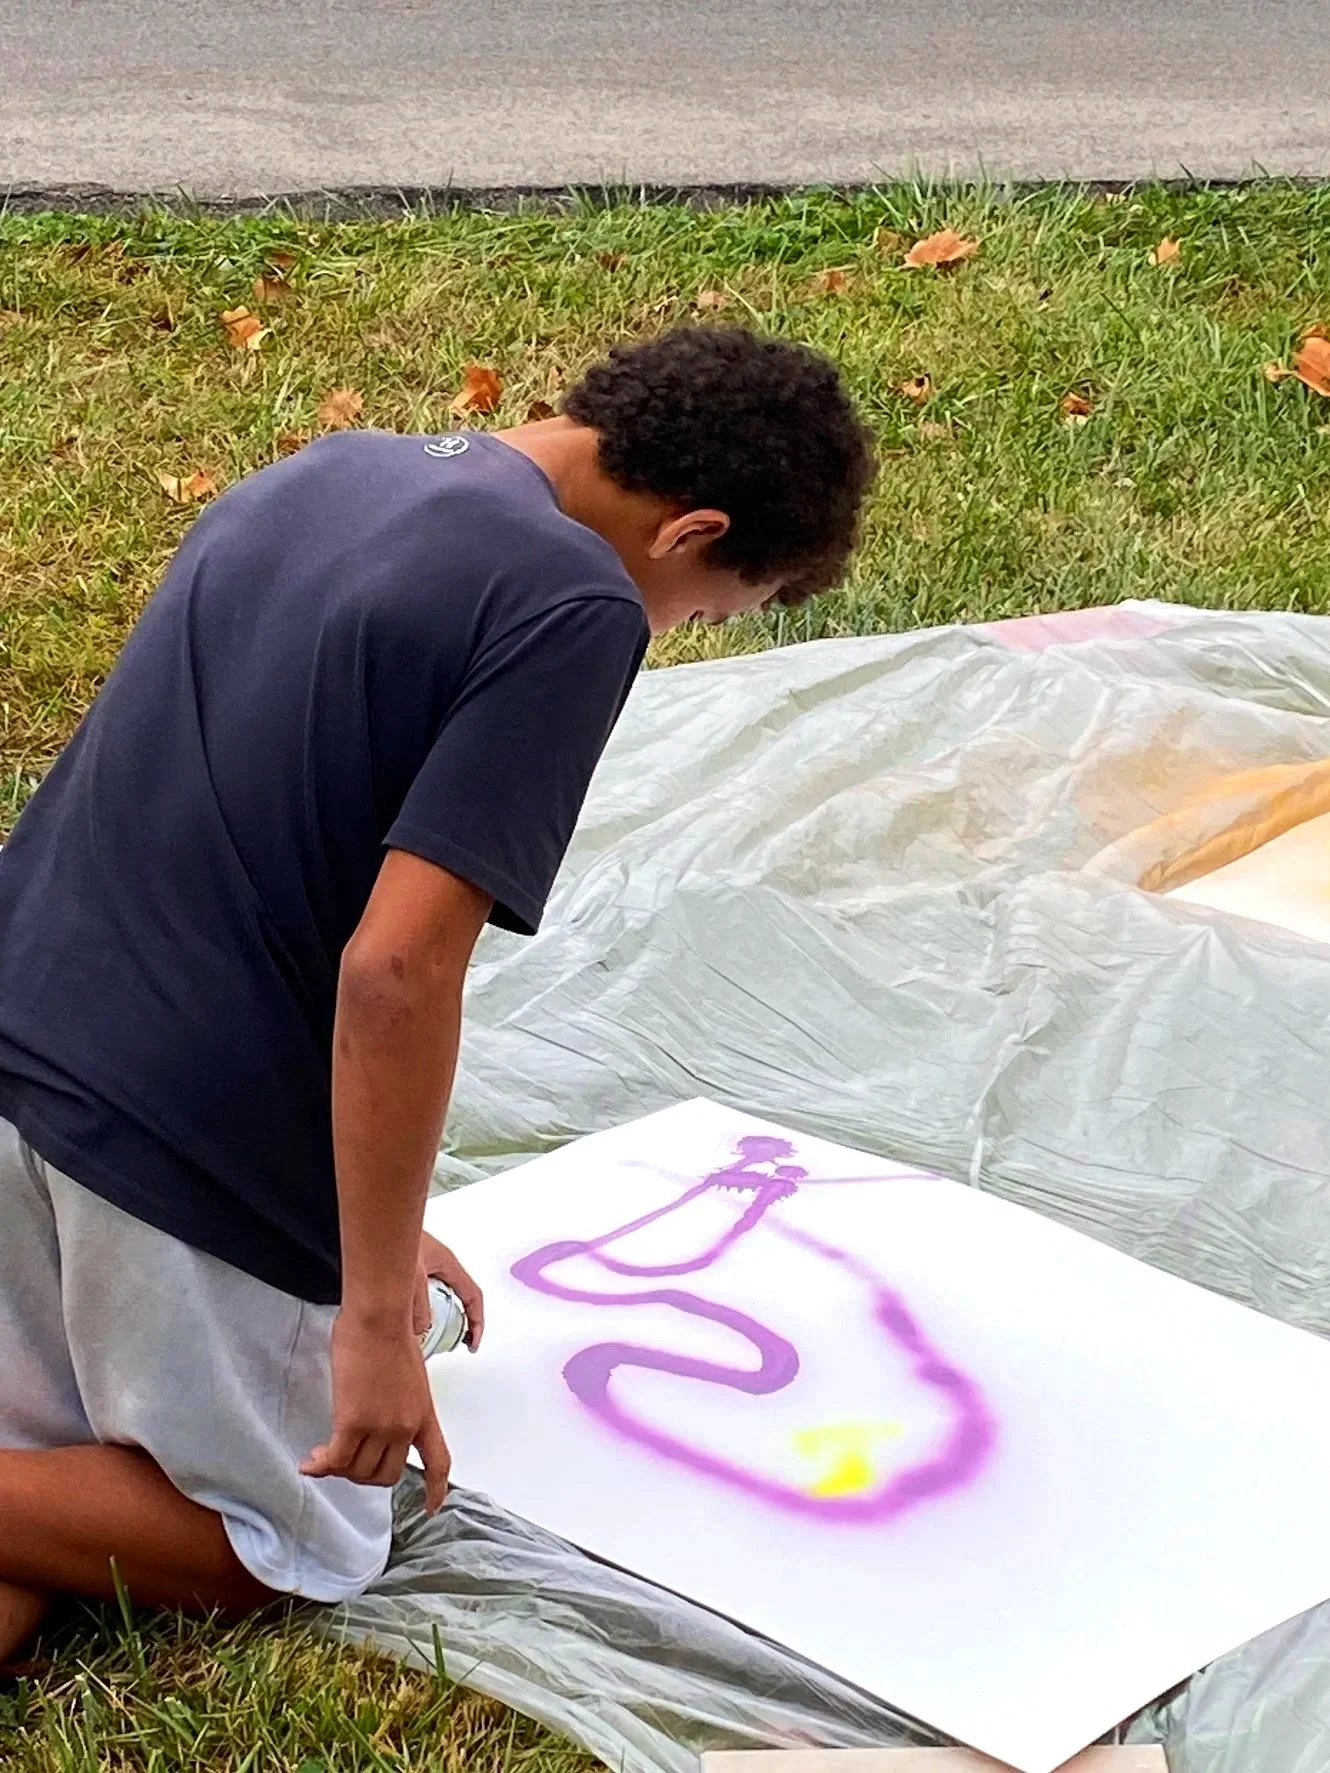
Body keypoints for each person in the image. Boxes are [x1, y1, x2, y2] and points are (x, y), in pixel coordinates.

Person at [0, 324, 875, 1662]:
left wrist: (382, 1231)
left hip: (26, 1032)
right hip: (173, 1131)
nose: (670, 633)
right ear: (691, 532)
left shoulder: (332, 470)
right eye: (702, 616)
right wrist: (366, 1321)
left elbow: (246, 830)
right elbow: (394, 972)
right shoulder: (574, 600)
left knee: (59, 1454)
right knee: (289, 1541)